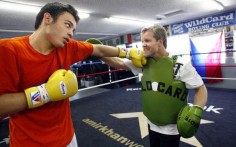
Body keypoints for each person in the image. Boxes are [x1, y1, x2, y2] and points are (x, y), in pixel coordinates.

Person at [0, 2, 145, 147]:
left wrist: (128, 53)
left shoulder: (68, 47)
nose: (71, 33)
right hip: (28, 143)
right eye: (68, 25)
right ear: (47, 18)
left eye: (73, 30)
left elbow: (98, 49)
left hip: (67, 137)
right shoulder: (9, 49)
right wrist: (45, 93)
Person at [101, 24, 208, 147]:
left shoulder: (180, 64)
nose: (143, 44)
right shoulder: (143, 62)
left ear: (160, 42)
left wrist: (196, 111)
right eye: (142, 41)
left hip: (171, 128)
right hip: (151, 122)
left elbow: (201, 88)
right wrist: (100, 54)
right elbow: (118, 63)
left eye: (147, 40)